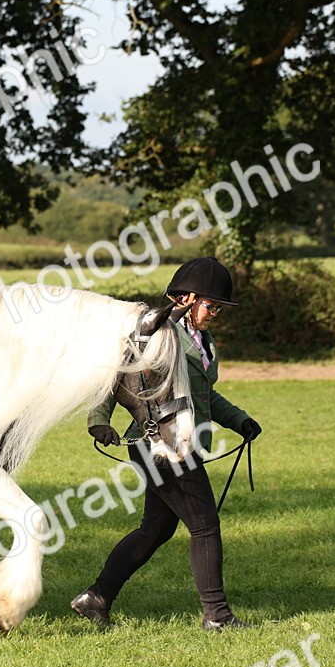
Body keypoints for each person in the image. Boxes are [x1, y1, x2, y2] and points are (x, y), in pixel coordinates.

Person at [70, 256, 262, 632]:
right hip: (161, 443)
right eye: (212, 306)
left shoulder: (202, 340)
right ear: (187, 299)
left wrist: (239, 419)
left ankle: (96, 597)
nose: (215, 314)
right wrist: (98, 421)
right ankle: (217, 616)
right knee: (205, 525)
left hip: (186, 441)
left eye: (219, 309)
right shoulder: (157, 335)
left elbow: (206, 394)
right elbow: (118, 376)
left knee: (155, 530)